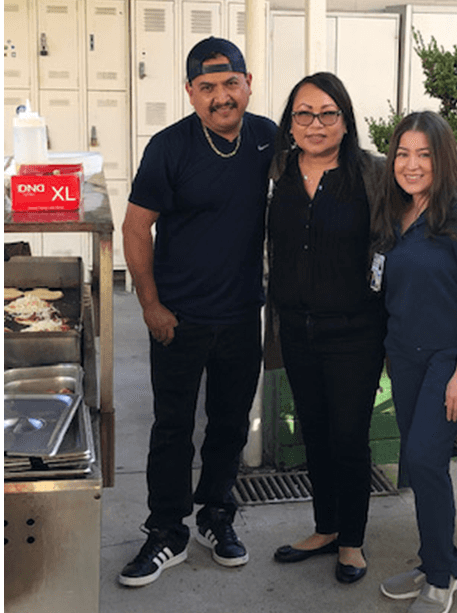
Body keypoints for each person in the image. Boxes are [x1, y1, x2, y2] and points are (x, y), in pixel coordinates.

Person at [119, 37, 276, 587]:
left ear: (248, 83)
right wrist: (150, 304)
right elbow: (136, 227)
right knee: (172, 428)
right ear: (190, 93)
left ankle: (215, 515)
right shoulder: (169, 148)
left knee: (230, 426)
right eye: (206, 87)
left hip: (240, 316)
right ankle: (167, 530)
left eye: (230, 83)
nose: (220, 96)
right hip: (178, 318)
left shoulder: (266, 140)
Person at [374, 111, 457, 613]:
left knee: (425, 460)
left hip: (449, 357)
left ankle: (441, 577)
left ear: (442, 157)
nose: (411, 163)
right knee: (419, 464)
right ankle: (437, 557)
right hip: (404, 356)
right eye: (403, 153)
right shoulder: (394, 214)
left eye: (423, 153)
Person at [267, 72, 386, 584]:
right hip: (297, 327)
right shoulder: (276, 172)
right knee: (314, 430)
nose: (315, 124)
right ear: (290, 123)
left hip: (355, 330)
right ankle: (325, 526)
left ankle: (352, 542)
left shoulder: (372, 175)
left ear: (345, 119)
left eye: (327, 113)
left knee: (348, 436)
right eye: (303, 114)